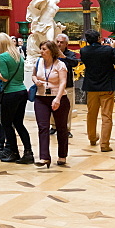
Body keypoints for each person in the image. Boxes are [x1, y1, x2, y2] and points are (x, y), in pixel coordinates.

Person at [0, 32, 32, 164]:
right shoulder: (18, 56)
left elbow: (5, 77)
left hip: (10, 93)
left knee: (7, 124)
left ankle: (13, 151)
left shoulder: (3, 57)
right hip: (22, 91)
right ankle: (28, 152)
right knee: (19, 124)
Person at [81, 30, 115, 152]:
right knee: (106, 116)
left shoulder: (84, 51)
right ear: (99, 38)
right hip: (107, 86)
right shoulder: (108, 50)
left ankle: (92, 137)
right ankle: (104, 144)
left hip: (91, 86)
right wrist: (114, 48)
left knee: (91, 114)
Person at [32, 40, 70, 168]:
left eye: (44, 49)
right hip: (41, 97)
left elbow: (63, 82)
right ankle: (44, 158)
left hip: (59, 98)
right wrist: (36, 80)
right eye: (41, 49)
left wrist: (58, 99)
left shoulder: (60, 65)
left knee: (61, 128)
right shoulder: (38, 62)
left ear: (51, 51)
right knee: (43, 127)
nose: (41, 51)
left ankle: (62, 155)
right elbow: (33, 75)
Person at [55, 33, 79, 138]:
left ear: (66, 44)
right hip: (53, 85)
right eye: (57, 42)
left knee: (67, 108)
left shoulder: (70, 54)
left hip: (67, 85)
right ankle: (53, 126)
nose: (59, 44)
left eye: (62, 42)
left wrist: (63, 57)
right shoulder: (50, 53)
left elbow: (74, 63)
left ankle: (67, 129)